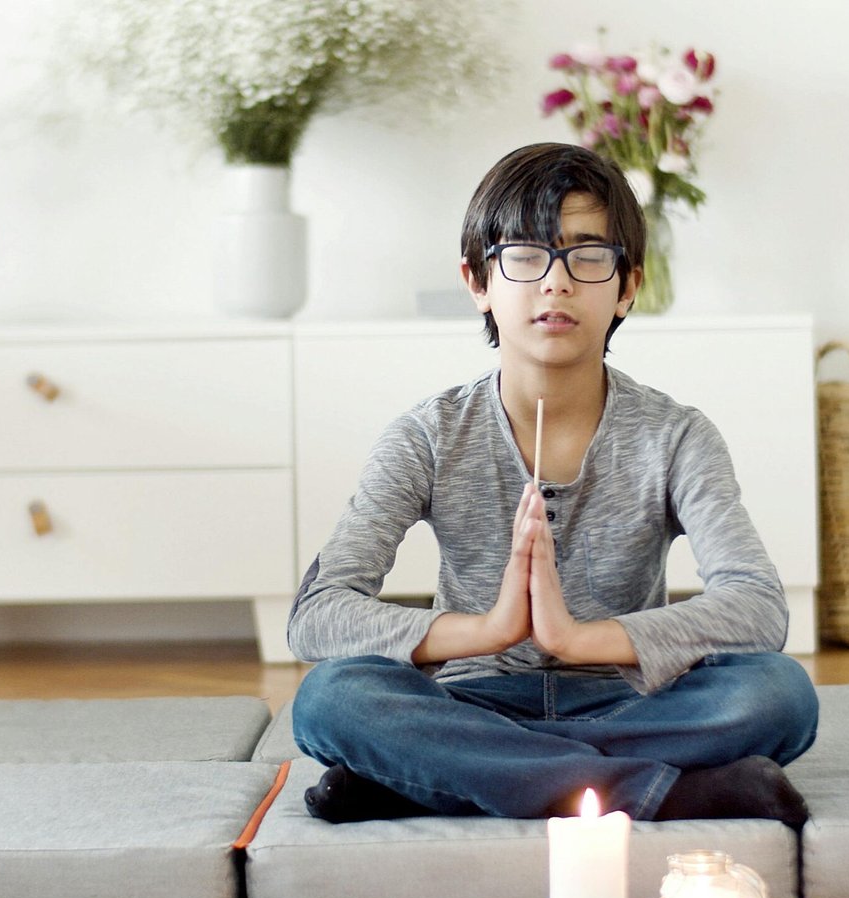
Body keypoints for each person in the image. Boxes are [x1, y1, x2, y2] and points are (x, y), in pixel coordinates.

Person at [287, 142, 817, 825]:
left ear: (628, 286)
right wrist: (487, 629)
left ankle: (438, 776)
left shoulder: (677, 435)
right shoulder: (426, 433)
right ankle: (660, 792)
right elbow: (318, 614)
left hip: (629, 702)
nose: (556, 282)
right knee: (332, 697)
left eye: (587, 256)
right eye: (526, 255)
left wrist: (576, 639)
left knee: (779, 692)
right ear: (477, 280)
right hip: (471, 699)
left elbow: (758, 607)